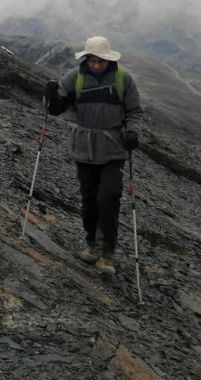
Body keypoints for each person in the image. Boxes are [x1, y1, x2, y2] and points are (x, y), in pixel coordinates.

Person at [43, 35, 143, 275]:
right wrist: (50, 96)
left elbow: (134, 112)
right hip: (85, 148)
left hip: (113, 149)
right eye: (93, 60)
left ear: (109, 60)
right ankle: (91, 244)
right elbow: (55, 110)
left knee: (108, 198)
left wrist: (132, 132)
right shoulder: (73, 78)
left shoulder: (123, 79)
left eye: (102, 61)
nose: (97, 65)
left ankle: (106, 253)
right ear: (86, 58)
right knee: (89, 198)